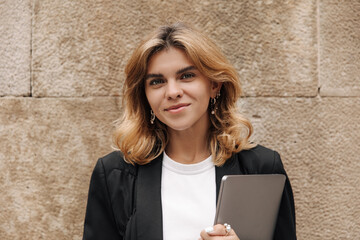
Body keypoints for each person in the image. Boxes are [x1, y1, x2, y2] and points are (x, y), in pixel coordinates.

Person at [82, 22, 296, 240]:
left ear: (214, 85)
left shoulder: (262, 168)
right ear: (145, 97)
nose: (173, 92)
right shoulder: (114, 175)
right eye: (157, 82)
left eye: (186, 76)